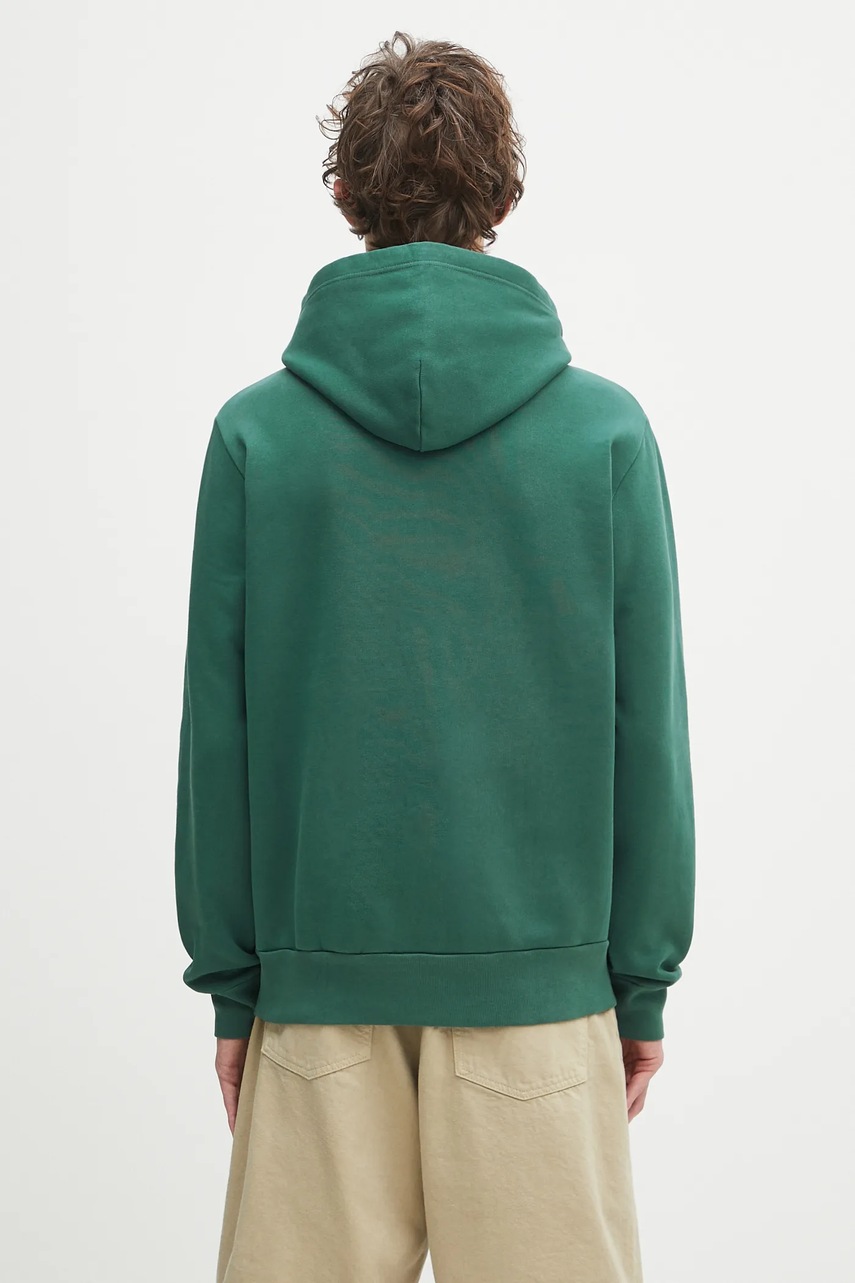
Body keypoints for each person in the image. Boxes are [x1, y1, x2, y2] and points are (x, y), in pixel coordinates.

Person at [174, 29, 695, 1283]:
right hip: (543, 1005)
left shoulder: (257, 437)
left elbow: (216, 741)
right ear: (504, 196)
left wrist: (236, 987)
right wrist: (639, 983)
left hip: (316, 1009)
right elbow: (649, 733)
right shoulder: (605, 435)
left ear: (342, 194)